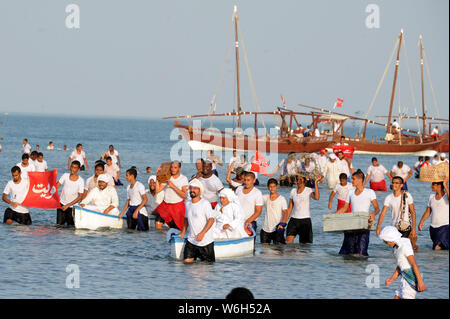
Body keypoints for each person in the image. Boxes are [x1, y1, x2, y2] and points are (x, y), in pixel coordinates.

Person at [334, 169, 380, 256]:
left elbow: (377, 208)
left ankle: (360, 269)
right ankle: (350, 269)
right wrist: (332, 216)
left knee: (361, 253)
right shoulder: (350, 192)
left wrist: (373, 214)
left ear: (360, 180)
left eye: (353, 179)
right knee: (348, 253)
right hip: (351, 224)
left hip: (364, 224)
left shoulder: (370, 192)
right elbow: (344, 208)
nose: (351, 181)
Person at [379, 226, 426, 299]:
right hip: (404, 277)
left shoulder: (405, 246)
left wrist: (420, 282)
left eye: (386, 241)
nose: (386, 243)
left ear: (391, 240)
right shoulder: (396, 248)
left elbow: (413, 264)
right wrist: (392, 279)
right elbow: (400, 266)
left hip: (411, 277)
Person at [179, 179, 216, 263]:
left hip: (205, 242)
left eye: (195, 188)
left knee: (208, 268)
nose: (192, 190)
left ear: (200, 191)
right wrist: (183, 232)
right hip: (191, 241)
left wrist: (202, 233)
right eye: (191, 188)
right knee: (186, 264)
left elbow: (211, 220)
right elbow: (186, 218)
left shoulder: (205, 203)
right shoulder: (187, 204)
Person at [377, 176, 418, 250]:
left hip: (406, 227)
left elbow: (413, 212)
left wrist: (414, 229)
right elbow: (383, 213)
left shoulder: (407, 195)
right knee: (397, 250)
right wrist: (378, 226)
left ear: (401, 185)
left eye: (396, 183)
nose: (394, 184)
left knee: (405, 249)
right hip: (395, 228)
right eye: (393, 182)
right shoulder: (389, 198)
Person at [283, 175, 320, 244]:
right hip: (293, 220)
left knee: (304, 246)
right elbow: (290, 207)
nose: (299, 181)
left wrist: (315, 183)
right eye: (297, 180)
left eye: (301, 180)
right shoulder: (293, 191)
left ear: (305, 181)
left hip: (305, 221)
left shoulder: (308, 190)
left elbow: (317, 197)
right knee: (288, 243)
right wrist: (284, 222)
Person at [154, 161, 189, 230]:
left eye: (175, 168)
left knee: (176, 229)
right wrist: (157, 175)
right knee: (157, 224)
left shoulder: (183, 179)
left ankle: (168, 237)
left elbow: (185, 196)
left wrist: (173, 186)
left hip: (177, 206)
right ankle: (160, 240)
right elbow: (157, 190)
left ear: (179, 169)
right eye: (172, 167)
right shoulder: (167, 177)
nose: (173, 169)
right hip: (165, 205)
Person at [418, 178, 449, 250]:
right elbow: (428, 211)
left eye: (433, 184)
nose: (431, 186)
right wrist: (421, 221)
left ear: (439, 186)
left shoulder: (446, 196)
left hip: (445, 227)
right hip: (433, 228)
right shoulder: (431, 197)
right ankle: (440, 261)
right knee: (438, 249)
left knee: (437, 248)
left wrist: (445, 184)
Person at [56, 161, 84, 227]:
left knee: (70, 228)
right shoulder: (65, 175)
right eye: (72, 167)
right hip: (61, 205)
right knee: (58, 226)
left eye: (75, 168)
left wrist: (67, 205)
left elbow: (80, 197)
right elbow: (56, 186)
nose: (72, 169)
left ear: (78, 169)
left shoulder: (81, 181)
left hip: (72, 207)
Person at [261, 179, 288, 245]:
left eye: (273, 186)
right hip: (265, 228)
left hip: (277, 228)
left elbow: (285, 213)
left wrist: (282, 224)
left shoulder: (282, 199)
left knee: (278, 252)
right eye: (270, 186)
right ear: (268, 187)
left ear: (277, 187)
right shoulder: (265, 197)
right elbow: (255, 200)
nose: (272, 188)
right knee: (265, 251)